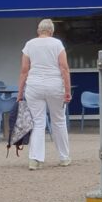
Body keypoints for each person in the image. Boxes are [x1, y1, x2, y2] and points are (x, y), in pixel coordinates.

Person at [17, 19, 71, 170]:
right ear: (51, 31)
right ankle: (64, 157)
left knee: (38, 122)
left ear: (38, 30)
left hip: (34, 86)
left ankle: (35, 159)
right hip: (54, 85)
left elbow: (24, 70)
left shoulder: (29, 44)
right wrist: (67, 91)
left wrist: (20, 93)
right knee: (59, 121)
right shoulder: (57, 44)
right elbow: (64, 68)